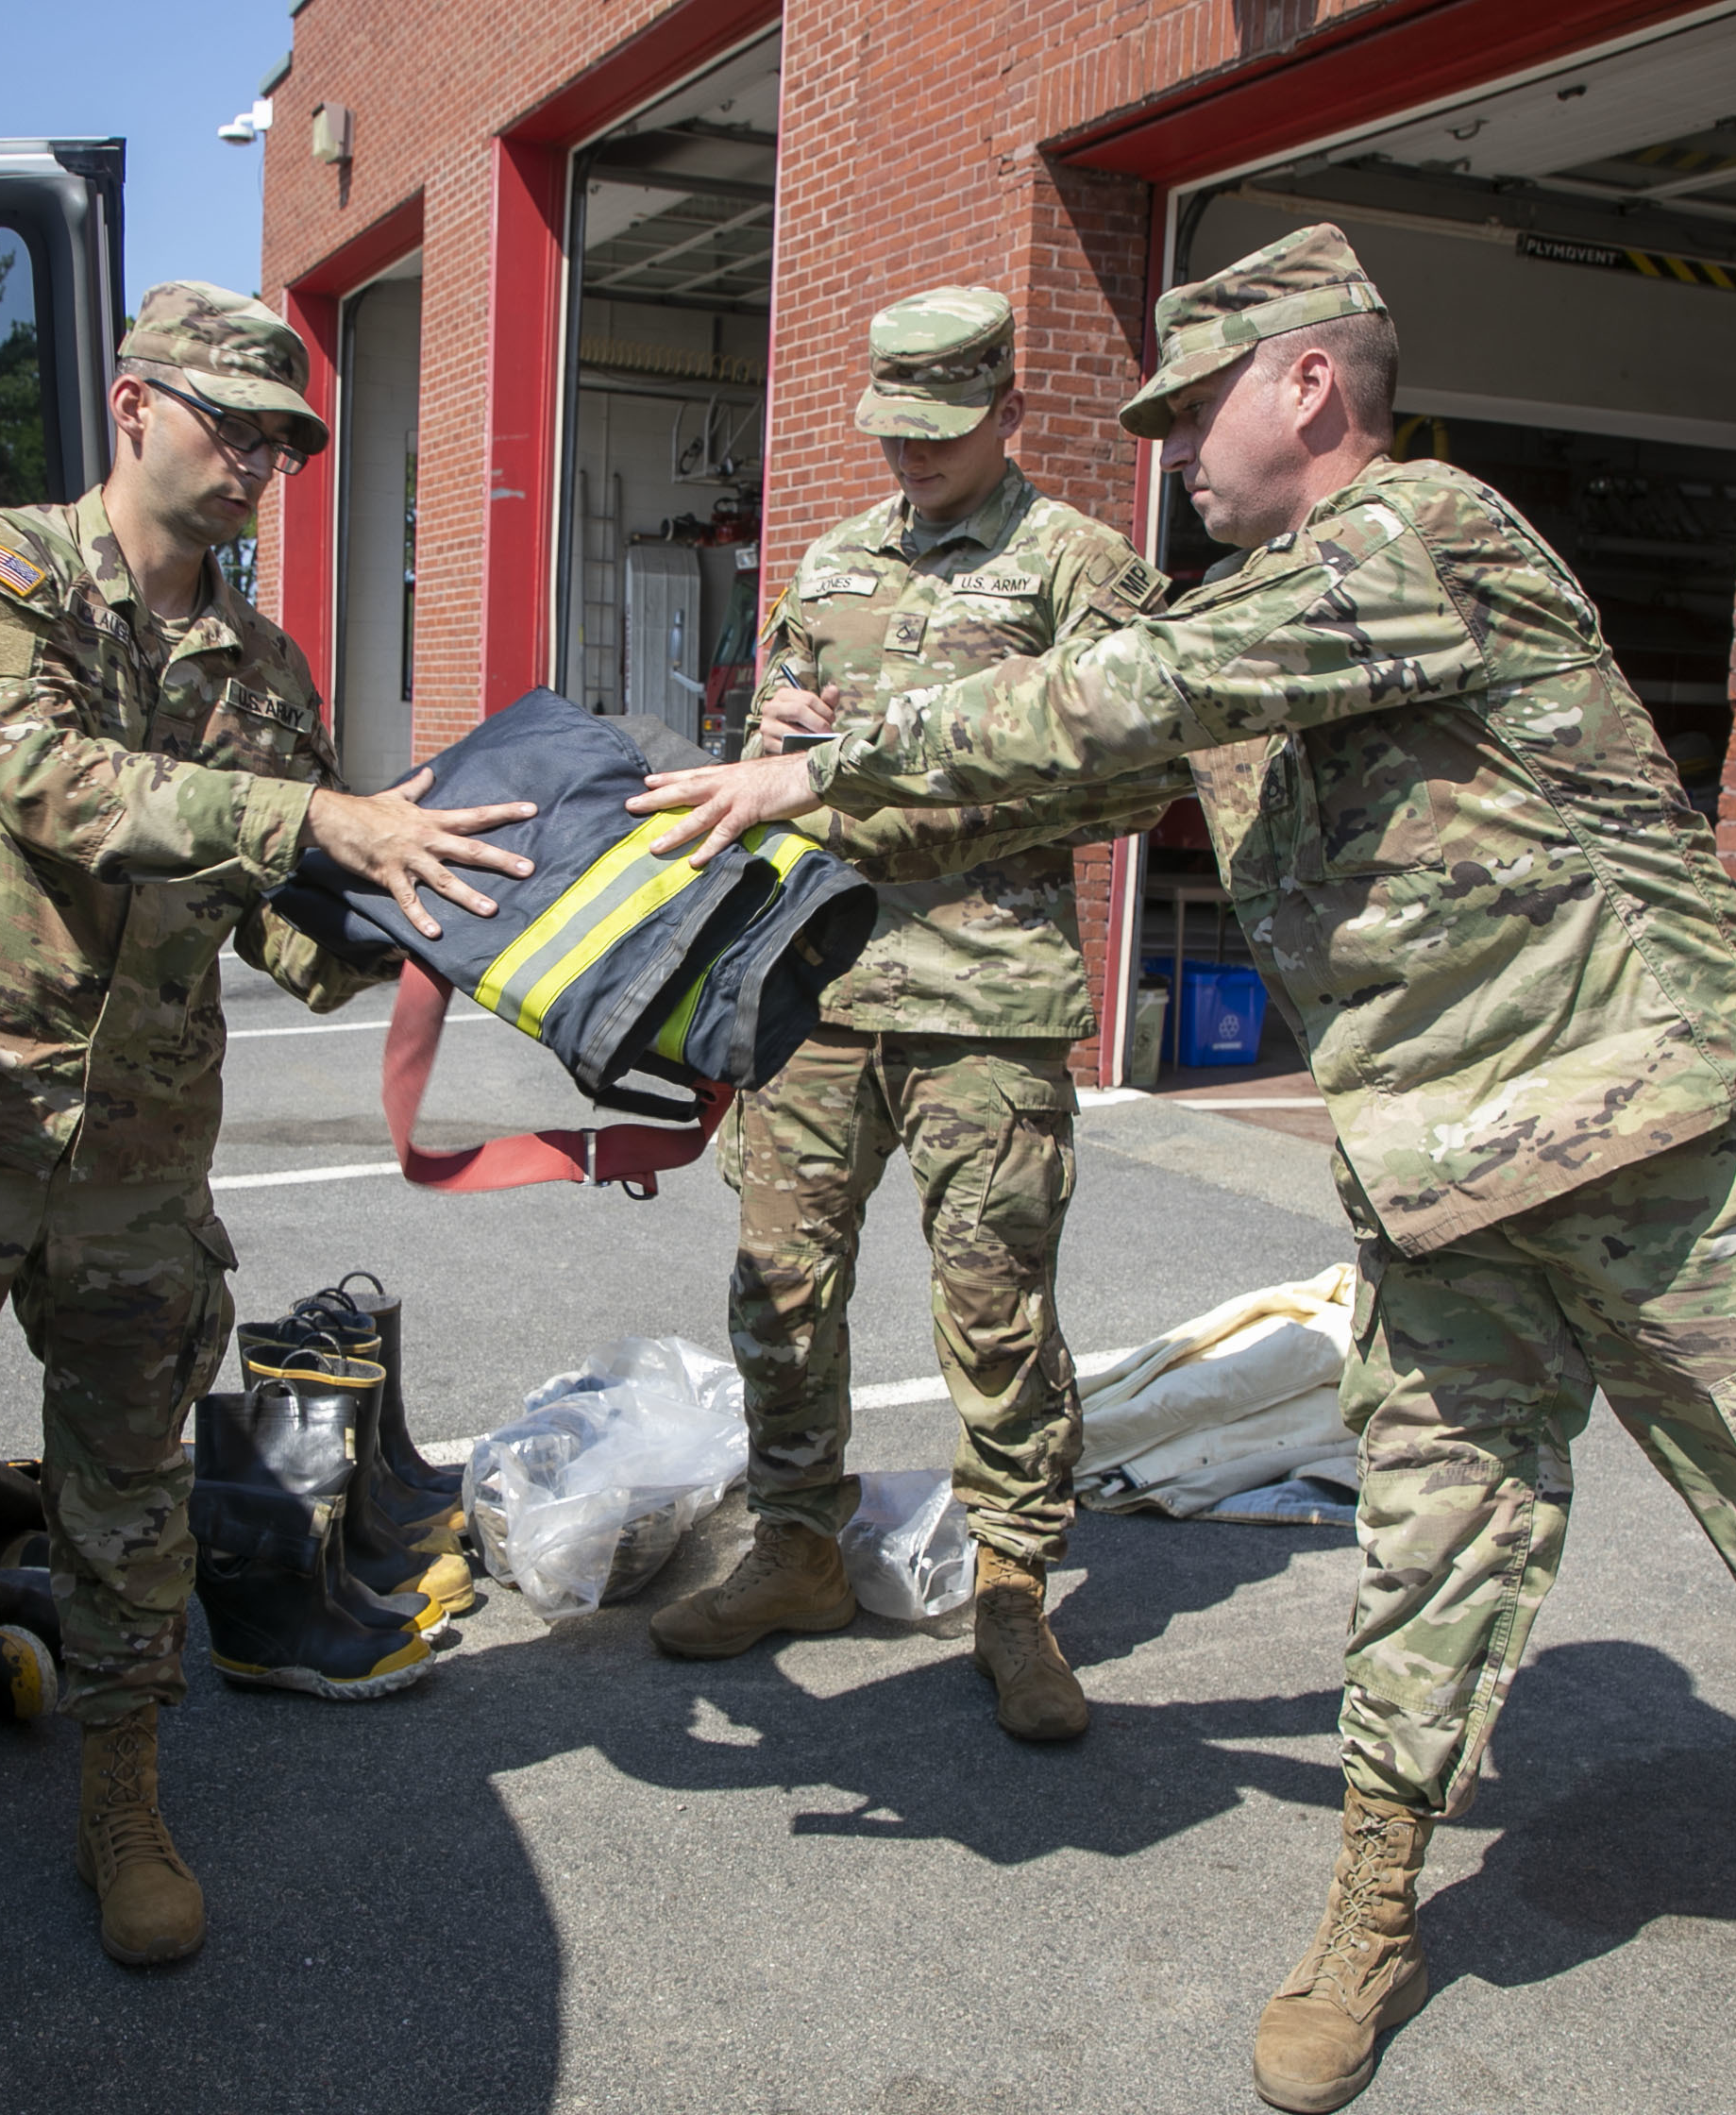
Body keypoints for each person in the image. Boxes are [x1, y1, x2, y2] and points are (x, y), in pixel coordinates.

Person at [627, 226, 1736, 2115]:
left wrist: (829, 763)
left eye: (1195, 407)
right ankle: (1373, 1904)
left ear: (1306, 384)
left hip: (1671, 1152)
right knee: (1426, 1562)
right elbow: (1065, 770)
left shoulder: (1425, 538)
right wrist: (772, 830)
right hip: (1447, 1182)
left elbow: (1123, 699)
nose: (1178, 451)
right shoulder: (1278, 604)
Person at [0, 282, 536, 1989]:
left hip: (142, 1147)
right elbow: (54, 783)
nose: (262, 465)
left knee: (133, 1491)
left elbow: (280, 913)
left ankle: (124, 1800)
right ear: (135, 403)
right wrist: (322, 819)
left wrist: (464, 930)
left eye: (288, 441)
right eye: (234, 426)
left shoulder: (266, 669)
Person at [642, 287, 1170, 1743]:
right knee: (780, 1287)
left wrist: (879, 764)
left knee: (993, 1305)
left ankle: (1012, 1591)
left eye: (943, 430)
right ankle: (798, 1546)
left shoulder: (1078, 568)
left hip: (987, 999)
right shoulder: (831, 560)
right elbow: (771, 743)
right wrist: (786, 744)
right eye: (894, 431)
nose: (913, 458)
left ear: (1007, 410)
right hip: (819, 984)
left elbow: (1138, 776)